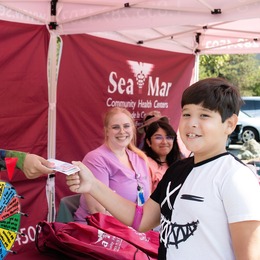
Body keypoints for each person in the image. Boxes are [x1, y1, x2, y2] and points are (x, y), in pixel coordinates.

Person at [66, 78, 260, 259]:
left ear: (230, 124)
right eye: (186, 114)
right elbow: (141, 220)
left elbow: (249, 254)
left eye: (204, 115)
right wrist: (92, 185)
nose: (192, 123)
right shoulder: (177, 170)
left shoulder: (236, 177)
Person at [73, 107, 151, 222]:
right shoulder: (95, 159)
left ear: (133, 128)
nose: (122, 131)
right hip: (100, 230)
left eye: (126, 126)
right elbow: (98, 212)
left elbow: (148, 203)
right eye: (115, 127)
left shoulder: (140, 158)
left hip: (135, 229)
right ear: (106, 131)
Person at [142, 120, 183, 192]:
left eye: (169, 137)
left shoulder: (178, 163)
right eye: (158, 138)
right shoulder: (145, 164)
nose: (164, 142)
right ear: (148, 142)